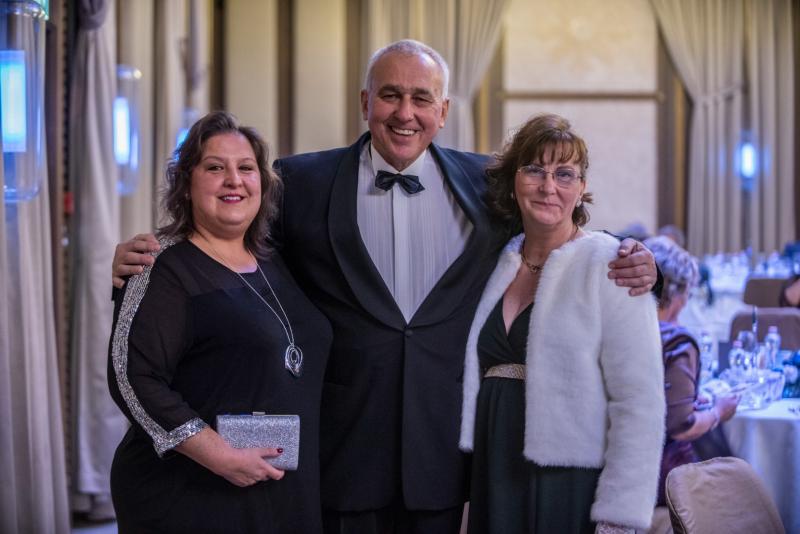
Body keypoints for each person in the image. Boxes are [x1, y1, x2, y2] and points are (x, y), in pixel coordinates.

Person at [111, 40, 659, 533]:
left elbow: (556, 224)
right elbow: (229, 239)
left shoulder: (489, 184)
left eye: (422, 98)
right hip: (341, 445)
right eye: (391, 95)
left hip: (443, 445)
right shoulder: (300, 181)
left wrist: (638, 261)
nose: (405, 112)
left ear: (443, 112)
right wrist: (147, 256)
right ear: (365, 102)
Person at [108, 111, 331, 533]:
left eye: (246, 168)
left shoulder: (277, 259)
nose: (233, 180)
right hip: (190, 491)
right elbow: (132, 378)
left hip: (278, 489)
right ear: (186, 183)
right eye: (214, 168)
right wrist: (219, 455)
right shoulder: (160, 266)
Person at [460, 114, 665, 533]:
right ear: (513, 181)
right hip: (494, 463)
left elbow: (639, 400)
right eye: (534, 170)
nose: (548, 186)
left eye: (564, 174)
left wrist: (621, 514)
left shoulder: (611, 263)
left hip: (571, 480)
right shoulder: (494, 262)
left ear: (581, 187)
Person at [643, 236, 739, 506]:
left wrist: (683, 400)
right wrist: (719, 411)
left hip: (609, 463)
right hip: (658, 476)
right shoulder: (677, 342)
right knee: (737, 487)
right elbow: (681, 427)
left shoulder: (624, 327)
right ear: (679, 291)